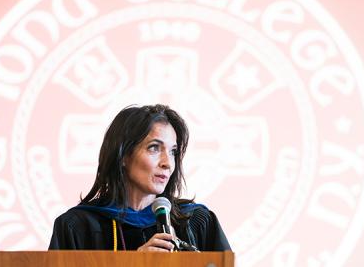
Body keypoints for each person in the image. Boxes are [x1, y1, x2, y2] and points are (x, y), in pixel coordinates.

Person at [49, 104, 231, 251]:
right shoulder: (78, 227)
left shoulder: (196, 222)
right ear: (123, 156)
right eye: (154, 148)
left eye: (173, 151)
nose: (167, 163)